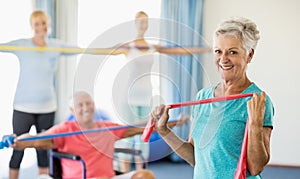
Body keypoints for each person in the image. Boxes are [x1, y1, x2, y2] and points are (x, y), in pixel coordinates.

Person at [150, 17, 274, 178]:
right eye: (218, 51)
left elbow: (256, 167)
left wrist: (256, 125)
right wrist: (163, 130)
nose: (223, 59)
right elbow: (195, 157)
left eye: (233, 52)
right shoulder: (202, 97)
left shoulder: (258, 101)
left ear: (249, 55)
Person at [106, 11, 211, 172]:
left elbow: (177, 51)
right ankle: (125, 174)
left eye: (145, 22)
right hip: (128, 98)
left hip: (146, 97)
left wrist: (204, 49)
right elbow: (106, 51)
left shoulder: (152, 47)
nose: (143, 25)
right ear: (135, 24)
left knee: (144, 136)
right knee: (126, 138)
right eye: (140, 22)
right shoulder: (128, 47)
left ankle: (141, 174)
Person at [9, 91, 186, 179]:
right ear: (72, 110)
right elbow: (36, 141)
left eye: (89, 103)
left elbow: (139, 128)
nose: (86, 108)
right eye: (80, 105)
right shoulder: (64, 129)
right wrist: (17, 142)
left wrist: (173, 122)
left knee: (145, 176)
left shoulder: (105, 128)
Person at [0, 10, 87, 179]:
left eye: (44, 23)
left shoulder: (55, 46)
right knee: (17, 150)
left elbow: (81, 49)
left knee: (43, 151)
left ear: (49, 25)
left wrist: (113, 49)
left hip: (47, 108)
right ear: (32, 26)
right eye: (37, 24)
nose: (41, 27)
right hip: (23, 108)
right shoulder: (22, 45)